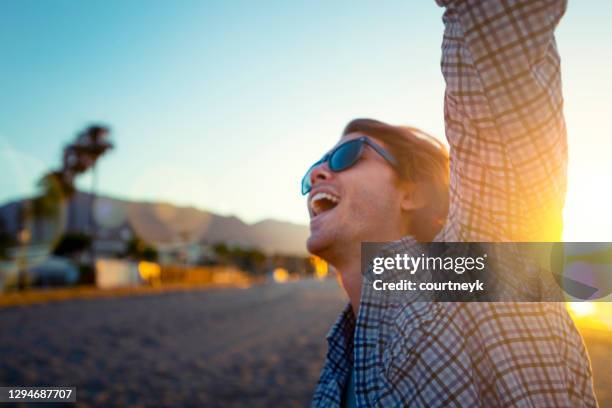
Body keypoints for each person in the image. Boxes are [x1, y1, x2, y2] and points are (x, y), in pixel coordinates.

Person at [307, 0, 598, 406]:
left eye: (345, 156)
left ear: (412, 192)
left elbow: (502, 43)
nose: (319, 173)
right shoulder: (339, 361)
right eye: (314, 170)